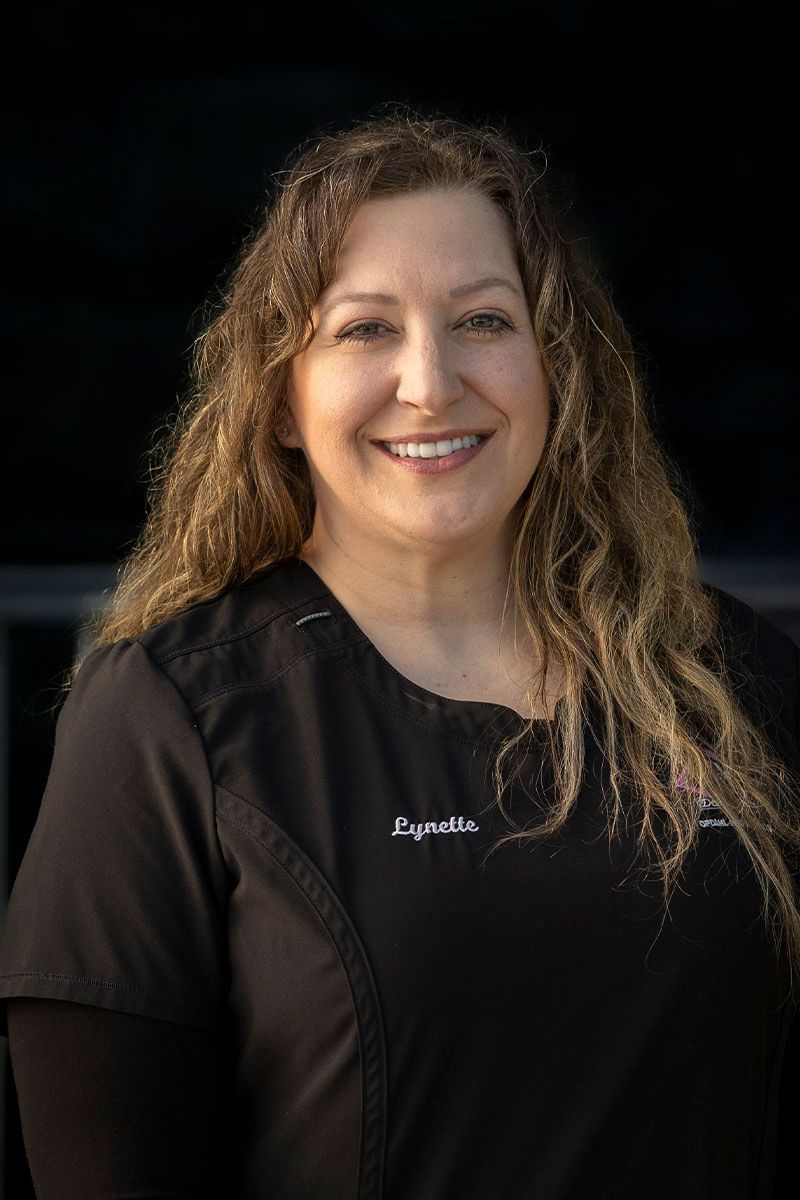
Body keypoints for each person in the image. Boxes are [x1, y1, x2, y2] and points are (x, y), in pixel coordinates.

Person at [0, 107, 798, 1199]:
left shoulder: (727, 679)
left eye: (481, 320)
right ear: (279, 397)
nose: (429, 382)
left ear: (552, 365)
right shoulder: (169, 715)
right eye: (363, 330)